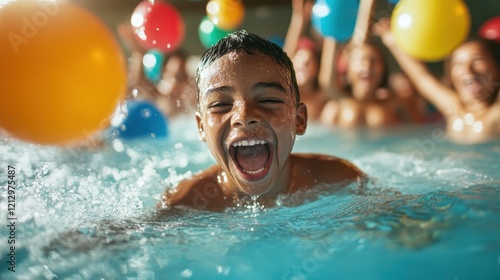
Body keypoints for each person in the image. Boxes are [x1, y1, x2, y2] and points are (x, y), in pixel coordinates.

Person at [159, 31, 364, 211]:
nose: (245, 116)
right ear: (201, 127)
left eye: (268, 100)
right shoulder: (183, 204)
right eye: (221, 104)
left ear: (299, 119)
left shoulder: (341, 180)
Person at [374, 18, 500, 144]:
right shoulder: (455, 109)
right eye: (458, 63)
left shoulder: (495, 113)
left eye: (477, 60)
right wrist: (392, 40)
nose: (467, 70)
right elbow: (421, 77)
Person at [319, 0, 419, 127]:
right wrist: (333, 27)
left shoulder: (396, 104)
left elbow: (419, 130)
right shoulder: (338, 103)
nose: (368, 66)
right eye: (361, 60)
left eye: (374, 60)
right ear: (348, 67)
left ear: (384, 69)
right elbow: (326, 79)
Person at [283, 0, 330, 122]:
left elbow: (328, 68)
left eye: (308, 62)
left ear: (317, 69)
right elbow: (285, 58)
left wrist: (330, 28)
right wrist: (299, 19)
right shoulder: (286, 95)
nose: (302, 65)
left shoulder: (320, 97)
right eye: (298, 61)